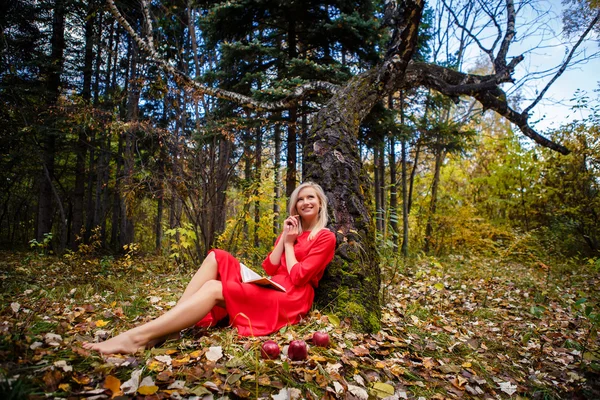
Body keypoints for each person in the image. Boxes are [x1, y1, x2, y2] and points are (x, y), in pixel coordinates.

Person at [83, 182, 336, 354]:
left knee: (215, 288)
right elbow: (269, 266)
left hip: (291, 298)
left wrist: (290, 246)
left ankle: (137, 338)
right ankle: (168, 327)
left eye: (310, 197)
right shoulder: (292, 231)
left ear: (320, 203)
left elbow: (300, 277)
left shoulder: (325, 237)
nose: (304, 202)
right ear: (294, 206)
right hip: (273, 285)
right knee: (218, 256)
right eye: (299, 199)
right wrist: (284, 237)